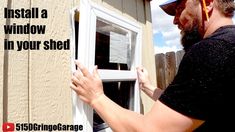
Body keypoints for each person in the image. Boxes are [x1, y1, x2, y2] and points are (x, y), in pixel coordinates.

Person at [70, 0, 235, 131]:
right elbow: (187, 105)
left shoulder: (212, 50)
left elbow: (150, 130)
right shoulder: (228, 44)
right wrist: (148, 87)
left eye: (179, 9)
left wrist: (97, 97)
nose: (175, 20)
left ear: (209, 2)